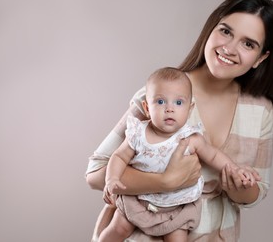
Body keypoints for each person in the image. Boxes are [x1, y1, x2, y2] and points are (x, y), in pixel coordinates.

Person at [86, 0, 273, 242]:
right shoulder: (163, 96)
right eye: (225, 31)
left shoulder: (261, 111)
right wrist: (165, 181)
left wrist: (240, 186)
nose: (229, 48)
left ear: (261, 58)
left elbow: (258, 192)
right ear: (211, 29)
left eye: (248, 44)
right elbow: (95, 174)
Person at [99, 67, 258, 242]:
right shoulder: (138, 134)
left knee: (177, 238)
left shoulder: (190, 138)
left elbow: (213, 156)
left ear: (190, 109)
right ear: (146, 107)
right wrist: (111, 179)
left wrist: (235, 170)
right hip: (138, 199)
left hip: (177, 207)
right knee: (118, 228)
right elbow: (119, 157)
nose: (169, 109)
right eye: (160, 102)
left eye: (178, 103)